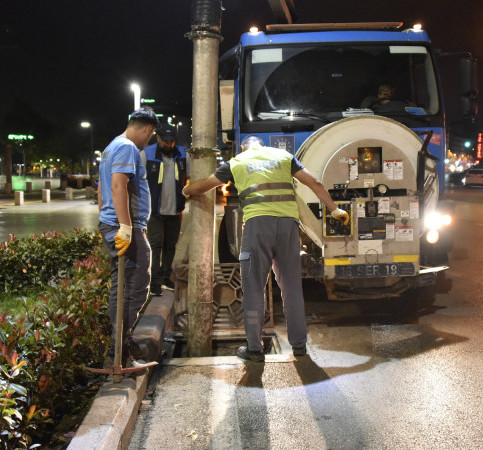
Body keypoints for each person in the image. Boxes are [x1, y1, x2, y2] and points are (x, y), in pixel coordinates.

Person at [183, 135, 350, 361]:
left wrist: (187, 190)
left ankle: (254, 349)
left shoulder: (237, 162)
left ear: (244, 147)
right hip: (289, 227)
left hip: (257, 227)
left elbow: (204, 187)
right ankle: (299, 347)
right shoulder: (283, 156)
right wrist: (334, 210)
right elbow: (315, 183)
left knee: (253, 288)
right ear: (262, 145)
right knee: (292, 288)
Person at [97, 107, 158, 365]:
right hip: (125, 228)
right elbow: (118, 185)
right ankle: (118, 350)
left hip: (113, 224)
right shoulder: (128, 148)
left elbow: (101, 188)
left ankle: (121, 346)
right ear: (146, 129)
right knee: (136, 286)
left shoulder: (112, 146)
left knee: (122, 286)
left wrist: (107, 217)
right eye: (150, 135)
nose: (148, 141)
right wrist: (124, 226)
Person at [143, 124, 188, 296]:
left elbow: (189, 177)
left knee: (170, 246)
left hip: (175, 211)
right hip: (154, 212)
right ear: (158, 138)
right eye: (165, 141)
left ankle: (165, 277)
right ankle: (154, 282)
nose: (168, 145)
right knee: (155, 246)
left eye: (171, 141)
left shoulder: (182, 154)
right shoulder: (146, 154)